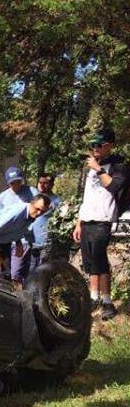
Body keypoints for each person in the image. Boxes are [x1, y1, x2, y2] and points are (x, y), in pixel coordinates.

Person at [72, 127, 129, 321]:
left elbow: (114, 186)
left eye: (99, 145)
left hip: (103, 220)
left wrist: (98, 169)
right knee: (90, 263)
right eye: (92, 145)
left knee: (100, 261)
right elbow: (87, 198)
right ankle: (93, 298)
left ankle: (107, 302)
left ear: (109, 146)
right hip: (87, 220)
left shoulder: (119, 165)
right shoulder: (93, 166)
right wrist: (78, 223)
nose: (94, 148)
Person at [0, 194, 52, 277]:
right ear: (31, 203)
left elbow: (15, 228)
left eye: (43, 211)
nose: (39, 213)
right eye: (37, 209)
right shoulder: (17, 212)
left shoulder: (31, 215)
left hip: (3, 243)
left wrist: (18, 243)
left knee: (6, 275)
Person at [24, 172, 61, 278]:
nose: (41, 185)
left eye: (45, 183)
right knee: (28, 270)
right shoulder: (33, 198)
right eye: (40, 182)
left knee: (41, 271)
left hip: (45, 242)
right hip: (29, 240)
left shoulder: (56, 201)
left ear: (52, 185)